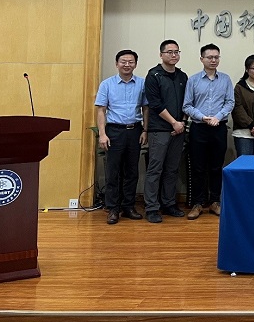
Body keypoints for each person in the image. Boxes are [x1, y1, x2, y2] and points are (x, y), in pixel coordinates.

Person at [95, 49, 148, 225]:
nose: (127, 65)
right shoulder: (107, 84)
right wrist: (102, 134)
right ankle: (113, 208)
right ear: (116, 64)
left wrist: (145, 130)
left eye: (130, 62)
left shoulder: (142, 83)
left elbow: (146, 108)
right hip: (114, 131)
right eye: (123, 61)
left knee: (132, 171)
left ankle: (128, 206)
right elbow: (101, 110)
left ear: (135, 64)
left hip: (135, 131)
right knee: (113, 171)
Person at [182, 43, 234, 220]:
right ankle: (197, 203)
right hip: (199, 128)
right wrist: (203, 117)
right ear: (202, 59)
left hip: (219, 127)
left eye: (216, 57)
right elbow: (187, 105)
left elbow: (230, 102)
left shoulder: (225, 79)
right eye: (210, 57)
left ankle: (215, 202)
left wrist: (217, 117)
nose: (213, 60)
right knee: (198, 167)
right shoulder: (193, 80)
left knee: (216, 166)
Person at [143, 40, 189, 223]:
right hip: (159, 129)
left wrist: (182, 123)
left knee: (172, 169)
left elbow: (187, 101)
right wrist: (173, 122)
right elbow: (155, 104)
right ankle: (152, 208)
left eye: (176, 52)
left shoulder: (182, 76)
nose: (173, 55)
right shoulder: (153, 75)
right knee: (155, 169)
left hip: (179, 129)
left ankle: (169, 203)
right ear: (161, 54)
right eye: (169, 52)